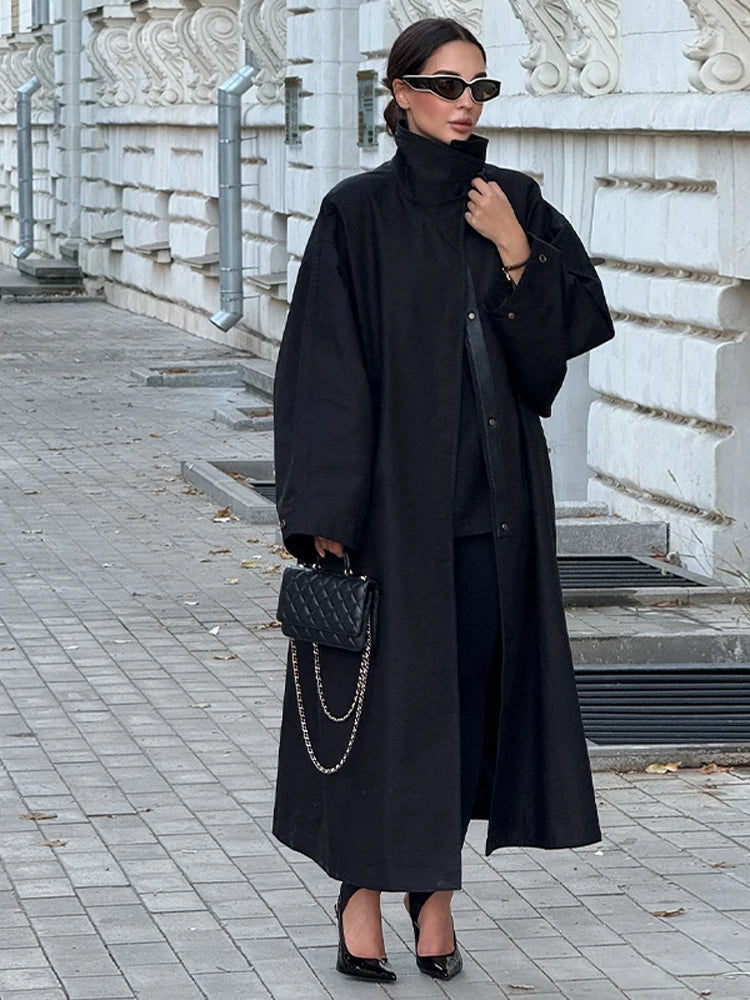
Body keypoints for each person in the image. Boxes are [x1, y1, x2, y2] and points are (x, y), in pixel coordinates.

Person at [272, 16, 615, 983]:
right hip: (389, 512)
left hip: (495, 505)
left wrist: (515, 252)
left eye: (480, 87)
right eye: (445, 84)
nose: (465, 102)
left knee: (465, 709)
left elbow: (559, 341)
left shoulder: (517, 201)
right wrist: (327, 513)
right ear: (400, 94)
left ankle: (437, 899)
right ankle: (362, 897)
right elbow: (325, 368)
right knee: (384, 713)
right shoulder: (357, 212)